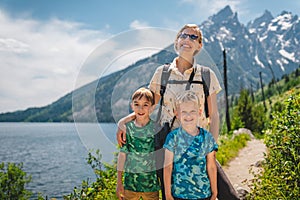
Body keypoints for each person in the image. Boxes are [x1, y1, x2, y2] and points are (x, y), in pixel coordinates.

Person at [117, 24, 239, 200]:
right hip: (168, 144)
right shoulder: (163, 73)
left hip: (197, 143)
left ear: (199, 46)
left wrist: (211, 146)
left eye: (193, 37)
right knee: (170, 195)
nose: (187, 39)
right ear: (176, 41)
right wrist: (124, 122)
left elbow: (214, 115)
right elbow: (147, 108)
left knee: (227, 194)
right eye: (183, 35)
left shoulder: (206, 74)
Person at [164, 91, 218, 200]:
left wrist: (214, 191)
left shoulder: (207, 137)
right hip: (179, 195)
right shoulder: (173, 138)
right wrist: (168, 194)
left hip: (203, 194)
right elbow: (167, 166)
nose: (188, 116)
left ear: (199, 112)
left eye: (192, 111)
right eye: (184, 112)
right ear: (177, 114)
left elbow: (211, 166)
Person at [116, 87, 160, 200]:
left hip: (151, 186)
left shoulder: (156, 128)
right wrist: (119, 182)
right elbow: (122, 155)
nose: (141, 108)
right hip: (130, 186)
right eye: (137, 104)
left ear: (151, 108)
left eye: (145, 105)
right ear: (132, 106)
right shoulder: (127, 129)